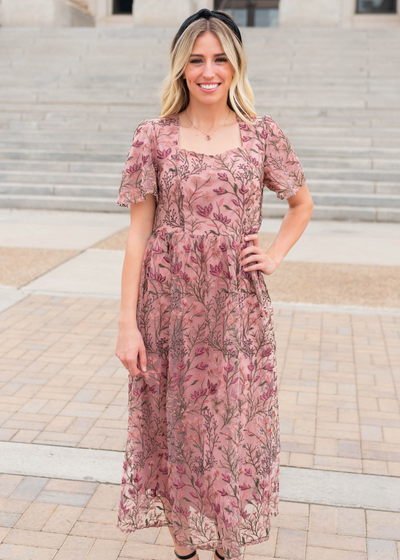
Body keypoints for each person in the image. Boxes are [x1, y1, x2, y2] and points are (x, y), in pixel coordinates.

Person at [115, 8, 314, 560]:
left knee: (229, 431)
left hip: (235, 311)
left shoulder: (261, 134)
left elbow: (301, 204)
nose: (209, 70)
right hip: (167, 309)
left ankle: (228, 544)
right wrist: (126, 324)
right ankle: (185, 547)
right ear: (181, 68)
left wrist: (272, 254)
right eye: (197, 59)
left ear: (236, 65)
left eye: (220, 58)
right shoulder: (152, 138)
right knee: (174, 428)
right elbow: (137, 236)